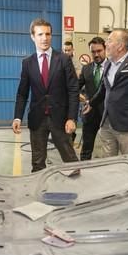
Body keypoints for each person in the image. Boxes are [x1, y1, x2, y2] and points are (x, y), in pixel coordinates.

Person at [13, 18, 79, 171]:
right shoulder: (27, 63)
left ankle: (79, 189)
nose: (45, 38)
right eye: (40, 34)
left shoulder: (63, 60)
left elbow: (73, 90)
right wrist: (17, 117)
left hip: (60, 119)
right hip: (37, 119)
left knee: (71, 160)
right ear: (32, 36)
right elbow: (22, 93)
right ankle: (39, 193)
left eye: (48, 34)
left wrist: (71, 118)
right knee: (37, 163)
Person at [77, 36, 107, 160]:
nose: (96, 54)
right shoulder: (86, 68)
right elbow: (77, 86)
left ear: (105, 49)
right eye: (93, 52)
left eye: (99, 51)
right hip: (90, 114)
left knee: (108, 149)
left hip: (108, 115)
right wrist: (77, 95)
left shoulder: (113, 67)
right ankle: (83, 172)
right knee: (86, 149)